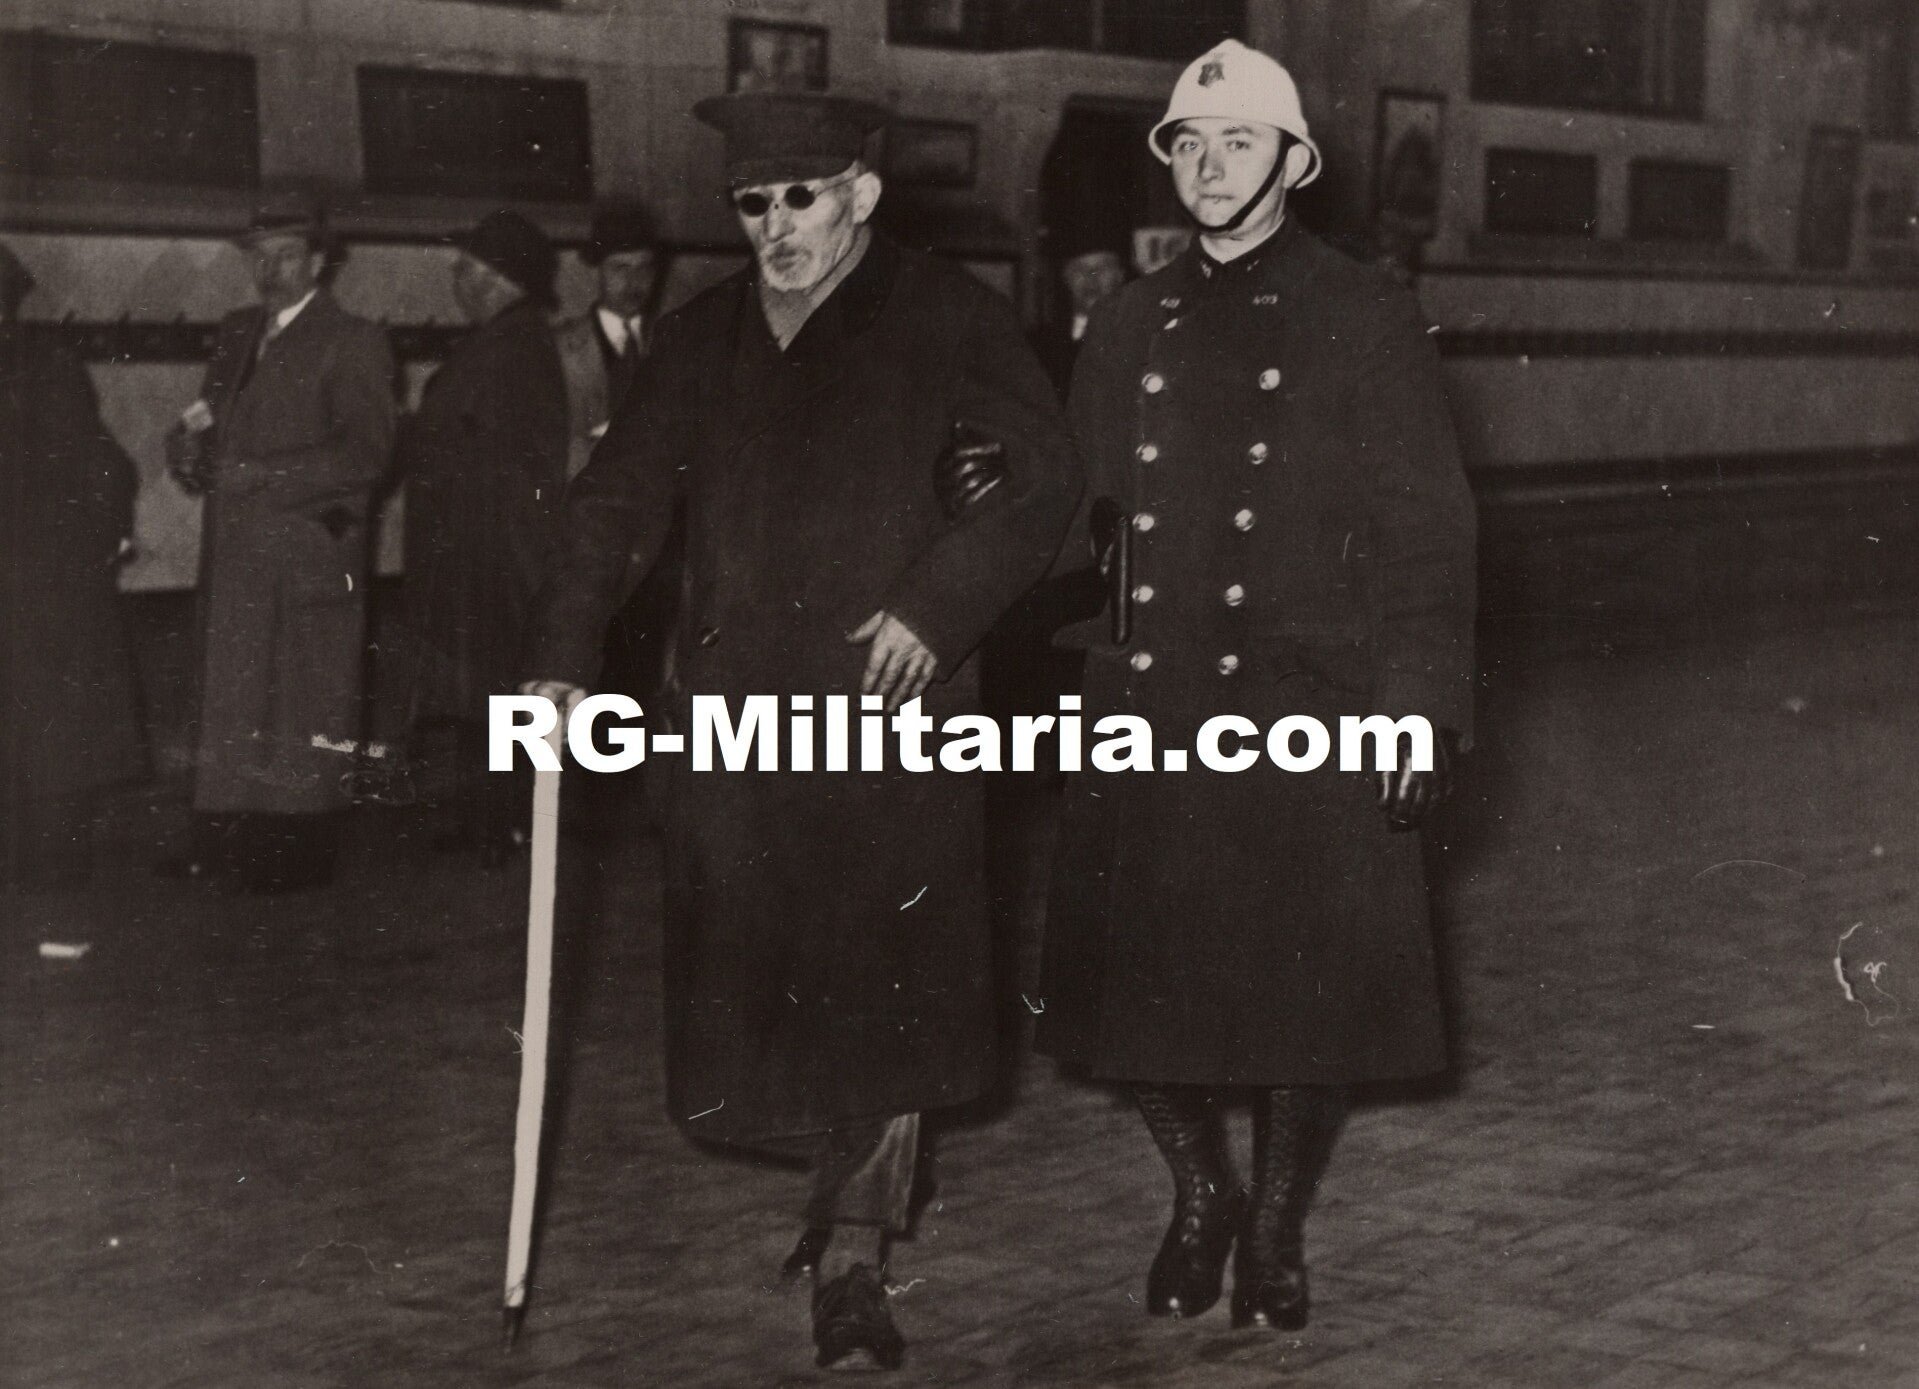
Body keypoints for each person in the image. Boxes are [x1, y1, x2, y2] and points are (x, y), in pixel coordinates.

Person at [522, 91, 1079, 1370]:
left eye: (803, 197)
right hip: (736, 715)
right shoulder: (700, 335)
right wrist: (559, 664)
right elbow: (611, 508)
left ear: (860, 196)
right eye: (753, 203)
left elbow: (1044, 478)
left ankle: (854, 1253)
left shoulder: (946, 315)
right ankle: (841, 1177)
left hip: (891, 704)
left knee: (886, 985)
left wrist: (939, 608)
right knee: (761, 995)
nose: (776, 225)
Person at [1039, 39, 1477, 1332]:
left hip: (1308, 701)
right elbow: (1078, 524)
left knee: (1304, 998)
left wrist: (1414, 701)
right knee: (1129, 994)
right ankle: (1197, 1195)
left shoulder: (1360, 310)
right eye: (1188, 146)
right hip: (1153, 703)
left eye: (1238, 144)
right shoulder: (1126, 321)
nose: (1210, 168)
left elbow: (1425, 524)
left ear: (1291, 162)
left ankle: (1275, 1227)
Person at [159, 192, 397, 892]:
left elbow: (366, 453)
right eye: (259, 258)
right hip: (235, 556)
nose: (271, 272)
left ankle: (293, 856)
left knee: (297, 704)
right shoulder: (236, 333)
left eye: (287, 256)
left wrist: (262, 474)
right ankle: (224, 844)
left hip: (303, 557)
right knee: (232, 702)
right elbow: (209, 420)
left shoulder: (354, 340)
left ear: (320, 261)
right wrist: (186, 448)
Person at [401, 210, 571, 864]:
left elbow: (519, 467)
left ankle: (506, 827)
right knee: (482, 700)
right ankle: (488, 822)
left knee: (498, 697)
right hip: (475, 556)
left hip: (494, 560)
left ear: (500, 279)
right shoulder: (498, 343)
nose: (457, 280)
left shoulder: (514, 349)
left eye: (467, 269)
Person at [0, 241, 145, 892]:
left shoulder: (41, 363)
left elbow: (101, 469)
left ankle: (53, 887)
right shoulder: (41, 361)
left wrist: (83, 557)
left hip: (39, 586)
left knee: (46, 743)